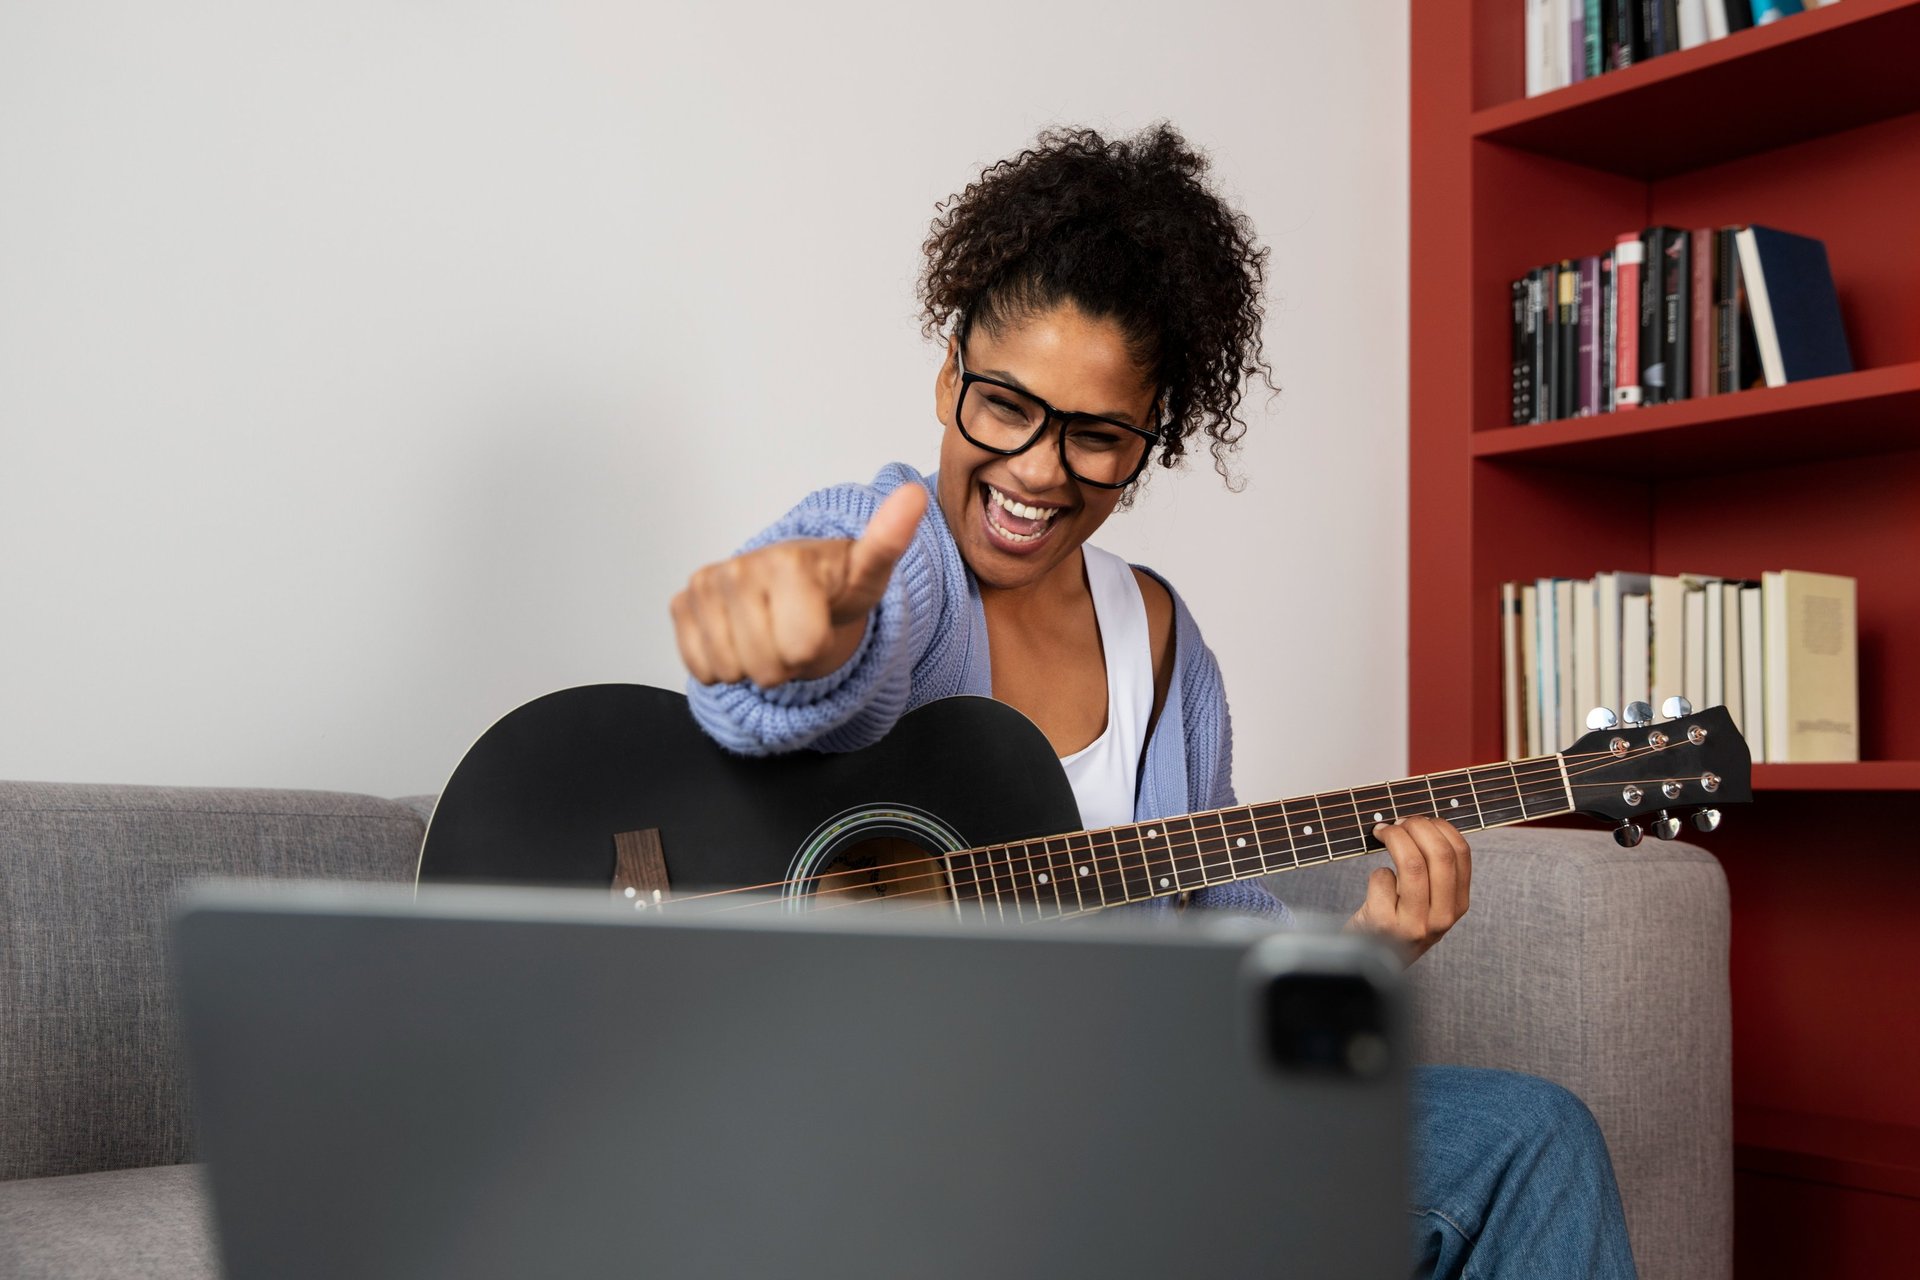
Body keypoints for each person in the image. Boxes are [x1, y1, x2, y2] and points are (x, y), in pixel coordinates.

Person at [670, 123, 1638, 1279]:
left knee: (1533, 1139)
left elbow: (1219, 955)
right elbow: (807, 656)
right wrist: (792, 642)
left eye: (1096, 435)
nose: (1037, 468)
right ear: (950, 374)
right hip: (900, 1135)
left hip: (1115, 1116)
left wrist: (1365, 956)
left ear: (1150, 440)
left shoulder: (1164, 647)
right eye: (1005, 405)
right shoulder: (904, 559)